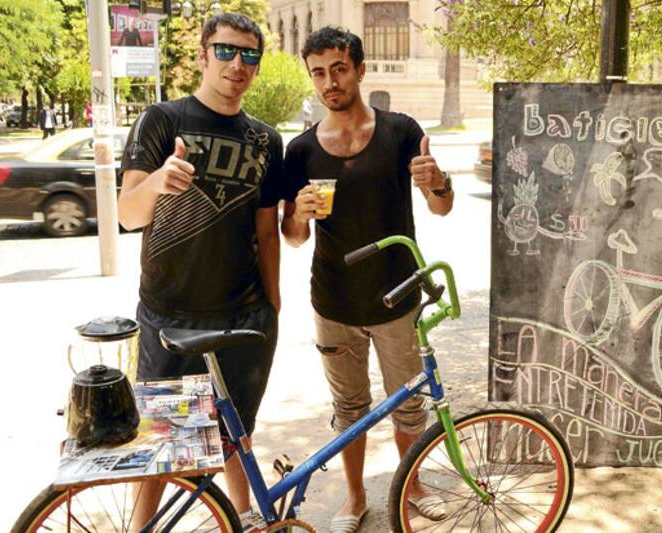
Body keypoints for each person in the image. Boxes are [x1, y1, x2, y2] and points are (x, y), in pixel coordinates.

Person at [281, 26, 454, 533]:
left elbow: (441, 208)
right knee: (349, 408)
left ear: (359, 69)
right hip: (333, 302)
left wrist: (438, 181)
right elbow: (293, 237)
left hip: (398, 297)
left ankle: (412, 485)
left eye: (339, 69)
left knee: (410, 404)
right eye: (318, 73)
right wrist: (299, 216)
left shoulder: (401, 132)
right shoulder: (301, 151)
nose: (329, 82)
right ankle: (354, 496)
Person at [117, 12, 282, 529]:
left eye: (249, 54)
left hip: (244, 316)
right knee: (159, 448)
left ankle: (243, 517)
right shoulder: (161, 121)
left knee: (236, 434)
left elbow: (266, 230)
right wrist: (158, 181)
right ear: (202, 56)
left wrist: (274, 307)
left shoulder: (266, 139)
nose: (238, 64)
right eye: (226, 50)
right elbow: (127, 213)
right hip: (169, 317)